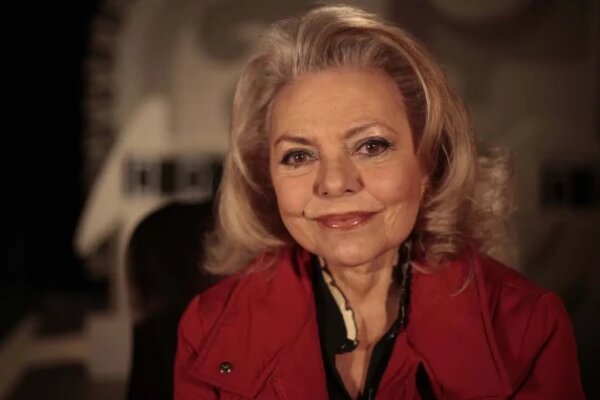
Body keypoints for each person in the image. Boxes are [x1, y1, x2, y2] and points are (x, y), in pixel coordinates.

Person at [174, 5, 584, 399]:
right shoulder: (207, 327)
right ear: (268, 177)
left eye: (371, 146)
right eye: (298, 156)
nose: (334, 182)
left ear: (428, 163)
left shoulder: (528, 328)